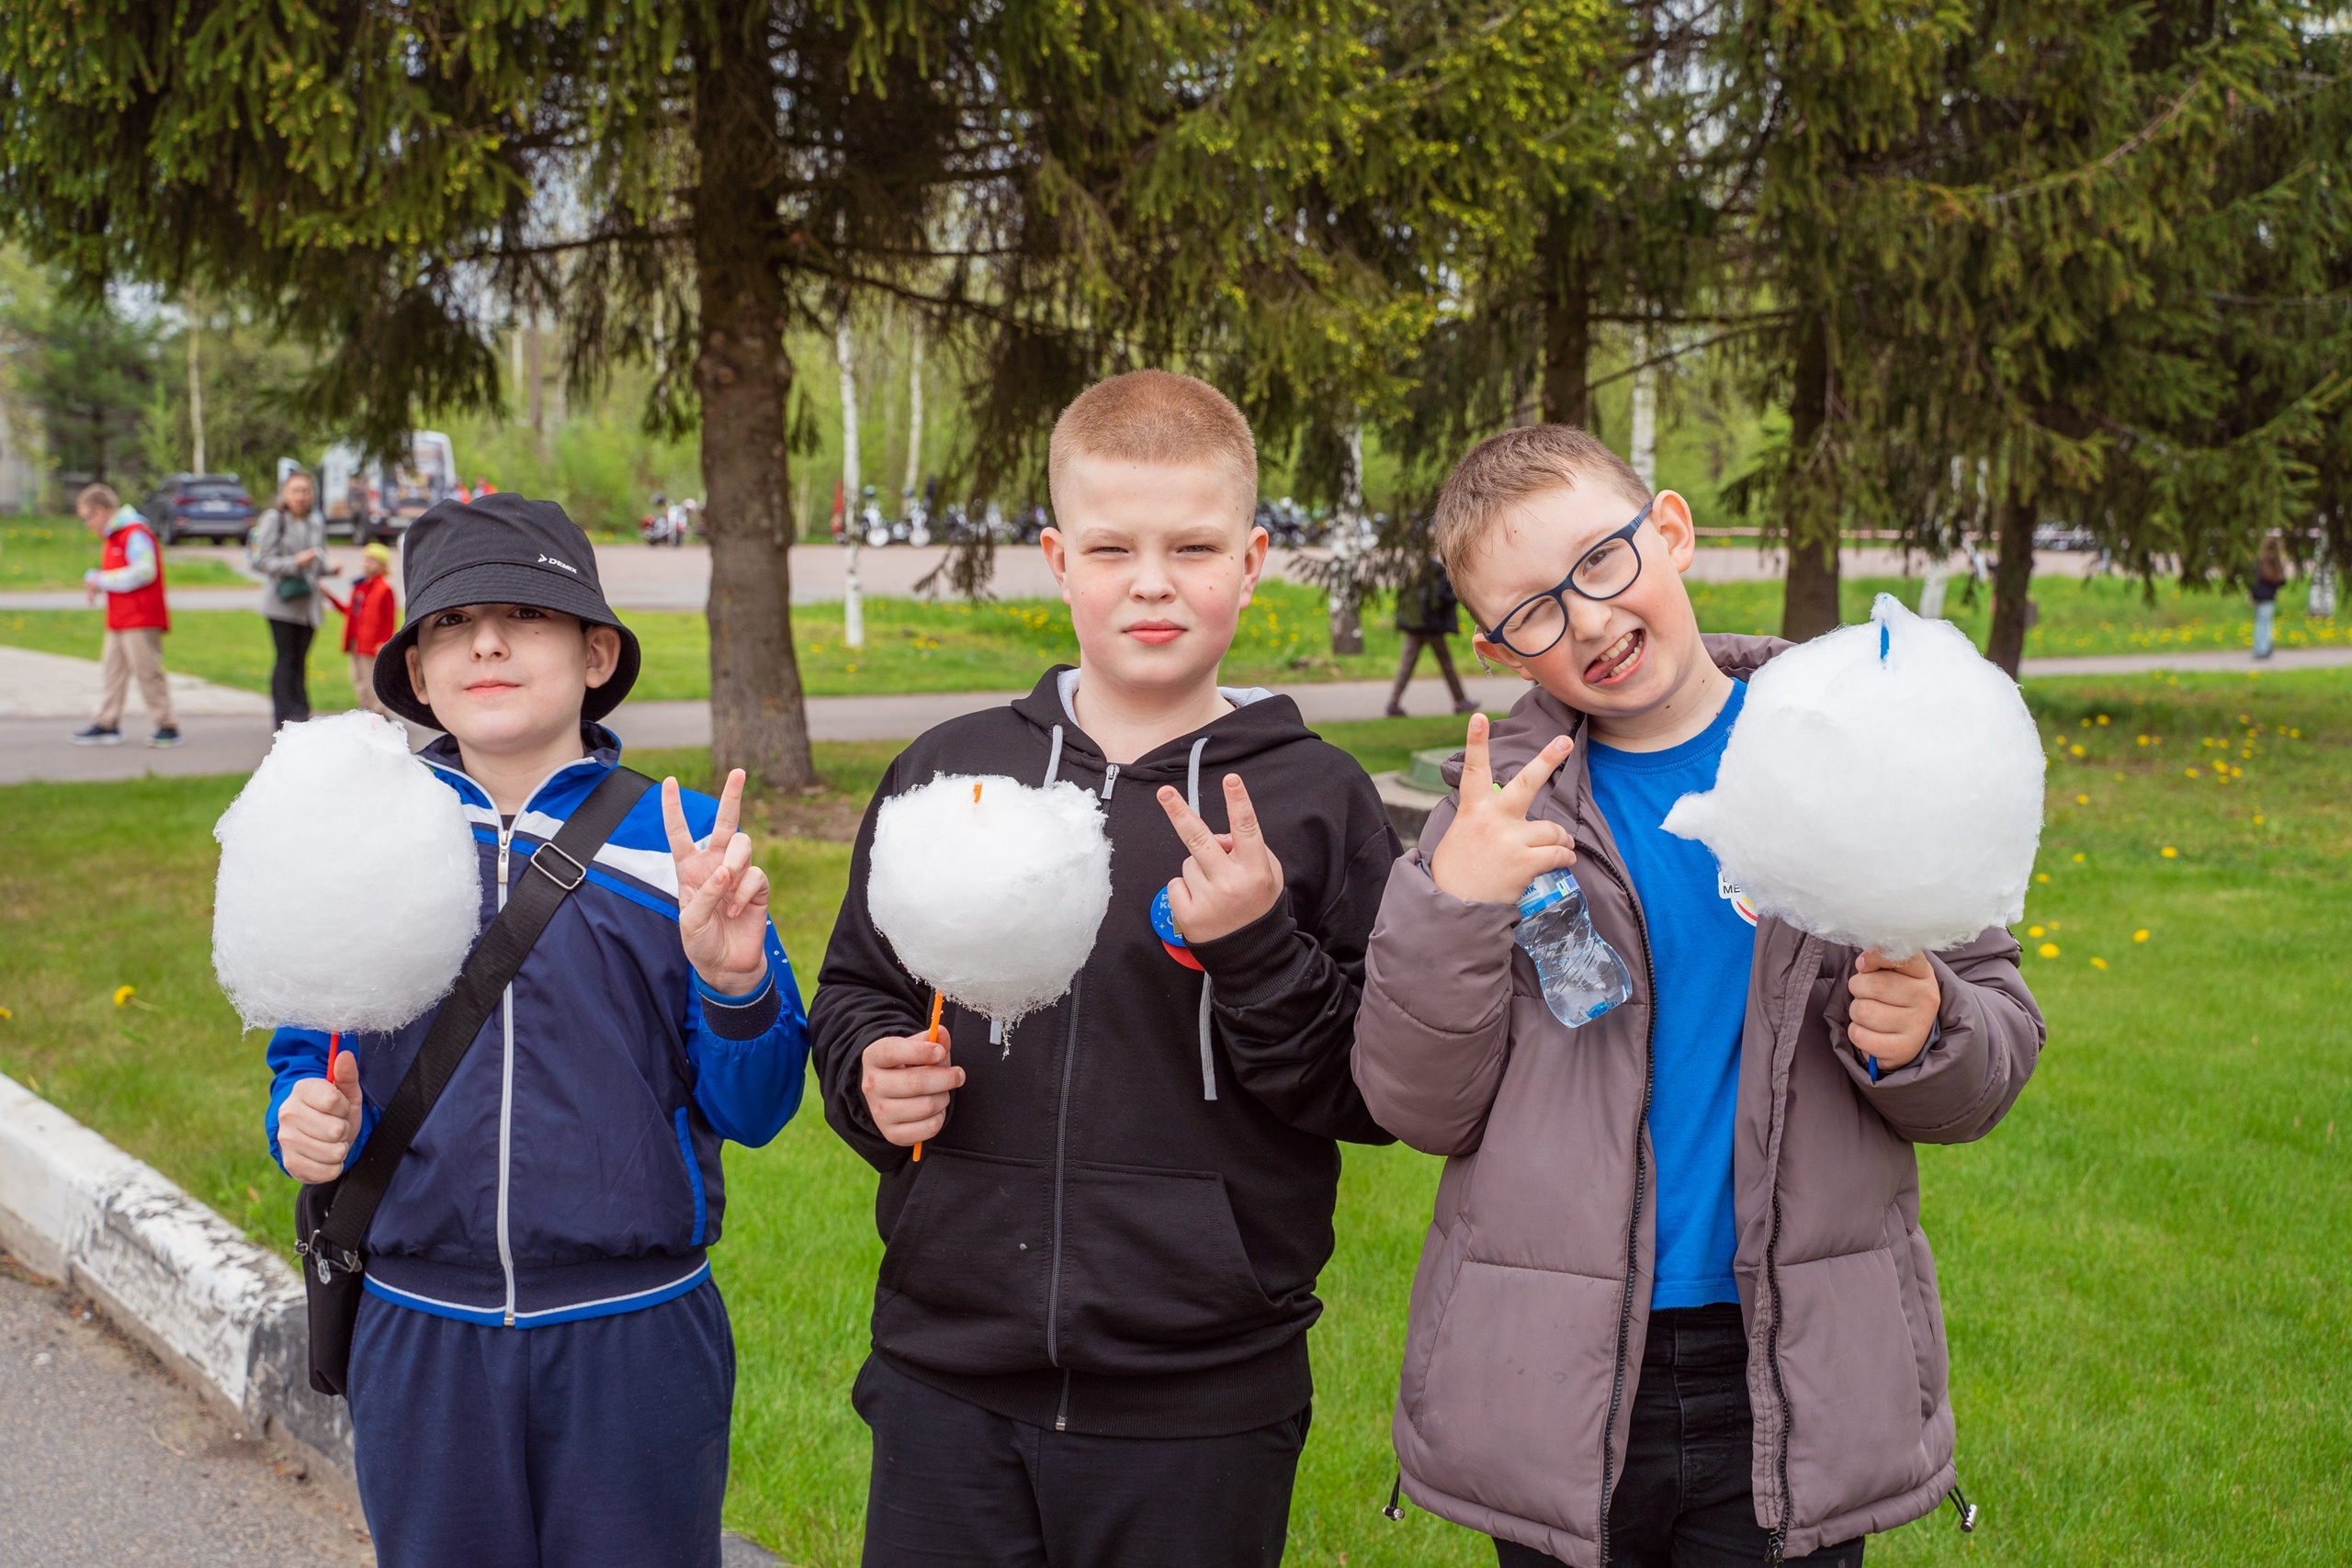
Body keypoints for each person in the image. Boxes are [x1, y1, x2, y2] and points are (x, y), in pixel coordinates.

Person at [1352, 425, 2045, 1568]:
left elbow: (1992, 1051)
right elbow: (1417, 1103)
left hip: (1788, 1368)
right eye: (1531, 612)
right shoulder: (1494, 822)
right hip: (1561, 1379)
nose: (1584, 621)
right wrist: (1455, 905)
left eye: (1602, 562)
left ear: (1668, 532)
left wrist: (1931, 1030)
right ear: (1498, 649)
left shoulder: (1849, 758)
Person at [811, 370, 1401, 1568]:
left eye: (1193, 546)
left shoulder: (1312, 799)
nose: (1151, 580)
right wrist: (869, 1070)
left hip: (1204, 1396)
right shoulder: (952, 769)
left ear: (1252, 558)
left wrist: (1257, 948)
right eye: (1112, 546)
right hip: (946, 1371)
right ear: (1056, 556)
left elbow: (1371, 1089)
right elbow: (857, 988)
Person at [264, 494, 811, 1568]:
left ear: (596, 651)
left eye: (526, 613)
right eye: (451, 625)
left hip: (635, 1332)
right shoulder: (365, 833)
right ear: (417, 674)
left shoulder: (683, 839)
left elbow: (758, 1106)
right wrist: (300, 1110)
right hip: (419, 1325)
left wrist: (734, 981)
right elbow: (309, 1045)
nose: (489, 643)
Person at [71, 482, 180, 748]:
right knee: (112, 671)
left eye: (88, 518)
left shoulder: (134, 533)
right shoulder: (114, 536)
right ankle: (107, 722)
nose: (87, 525)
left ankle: (166, 724)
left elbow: (145, 571)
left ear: (100, 511)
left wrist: (102, 579)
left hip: (140, 617)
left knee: (147, 671)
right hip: (119, 617)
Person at [249, 469, 334, 728]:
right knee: (285, 659)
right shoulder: (275, 520)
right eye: (295, 491)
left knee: (301, 661)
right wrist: (295, 562)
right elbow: (261, 561)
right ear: (285, 494)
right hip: (282, 604)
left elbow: (318, 561)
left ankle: (301, 716)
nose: (300, 496)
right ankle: (285, 718)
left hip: (308, 604)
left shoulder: (315, 522)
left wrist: (329, 568)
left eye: (305, 491)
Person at [1385, 551, 1480, 717]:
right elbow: (1442, 596)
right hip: (1432, 626)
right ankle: (1461, 701)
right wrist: (1458, 594)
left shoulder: (1417, 568)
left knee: (1406, 666)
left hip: (1414, 625)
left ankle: (1393, 703)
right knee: (1447, 664)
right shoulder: (1438, 570)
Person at [323, 543, 401, 716]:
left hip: (371, 644)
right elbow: (349, 612)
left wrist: (384, 642)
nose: (366, 564)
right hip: (355, 642)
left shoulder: (384, 589)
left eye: (372, 561)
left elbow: (389, 620)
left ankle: (380, 715)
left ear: (382, 565)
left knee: (371, 681)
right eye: (365, 560)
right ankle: (365, 713)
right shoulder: (359, 588)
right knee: (358, 680)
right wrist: (330, 597)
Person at [2252, 531, 2289, 660]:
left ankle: (2261, 647)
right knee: (2265, 623)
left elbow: (2254, 578)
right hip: (2268, 596)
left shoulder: (2260, 560)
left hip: (2258, 595)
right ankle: (2262, 648)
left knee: (2261, 622)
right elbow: (2281, 580)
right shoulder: (2274, 562)